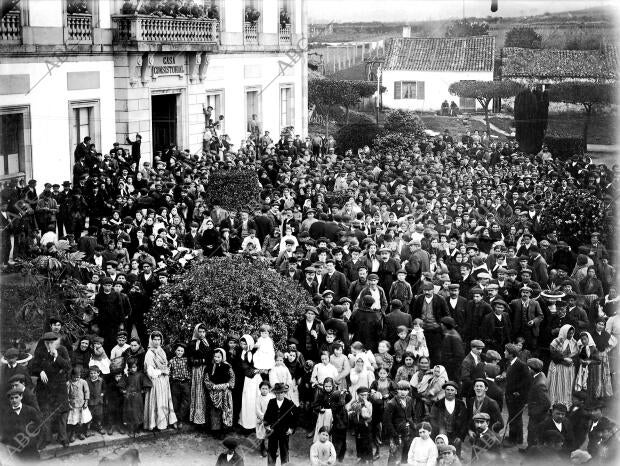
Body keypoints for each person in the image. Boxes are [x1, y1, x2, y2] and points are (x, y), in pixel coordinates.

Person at [30, 331, 71, 448]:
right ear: (44, 342)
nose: (49, 345)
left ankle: (63, 437)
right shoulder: (40, 351)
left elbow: (68, 366)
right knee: (46, 412)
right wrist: (40, 371)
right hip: (45, 388)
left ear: (56, 341)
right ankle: (46, 439)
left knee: (62, 412)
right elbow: (33, 366)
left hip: (59, 387)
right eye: (47, 343)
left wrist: (56, 356)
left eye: (52, 342)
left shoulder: (62, 350)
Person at [143, 330, 177, 431]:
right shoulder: (149, 353)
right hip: (156, 380)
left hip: (164, 380)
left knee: (164, 400)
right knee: (157, 400)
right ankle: (156, 423)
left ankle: (164, 422)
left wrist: (166, 371)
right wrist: (162, 371)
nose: (157, 342)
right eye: (155, 339)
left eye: (159, 339)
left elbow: (165, 364)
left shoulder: (161, 351)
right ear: (151, 340)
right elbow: (150, 371)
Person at [2, 387, 42, 460]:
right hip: (16, 451)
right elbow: (5, 433)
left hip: (31, 449)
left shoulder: (31, 410)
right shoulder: (6, 414)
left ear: (21, 397)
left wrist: (38, 444)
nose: (14, 400)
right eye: (12, 398)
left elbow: (39, 426)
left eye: (16, 397)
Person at [503, 343, 531, 446]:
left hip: (517, 398)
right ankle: (516, 438)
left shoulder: (521, 365)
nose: (504, 352)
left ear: (511, 354)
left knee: (515, 419)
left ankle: (513, 440)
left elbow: (527, 381)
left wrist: (519, 392)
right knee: (513, 417)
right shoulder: (509, 363)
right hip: (510, 396)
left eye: (506, 351)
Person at [430, 381, 467, 456]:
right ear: (444, 391)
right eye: (448, 390)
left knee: (456, 452)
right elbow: (433, 419)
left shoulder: (461, 404)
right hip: (442, 432)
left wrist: (460, 436)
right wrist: (440, 431)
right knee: (442, 454)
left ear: (456, 392)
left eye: (452, 390)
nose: (450, 392)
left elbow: (464, 421)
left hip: (456, 433)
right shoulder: (437, 404)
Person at [263, 382, 297, 466]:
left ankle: (285, 464)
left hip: (284, 431)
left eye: (281, 393)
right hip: (273, 431)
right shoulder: (271, 402)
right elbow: (267, 416)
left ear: (285, 393)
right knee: (271, 450)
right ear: (275, 393)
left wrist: (291, 429)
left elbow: (295, 418)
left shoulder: (289, 403)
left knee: (284, 450)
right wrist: (267, 426)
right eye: (277, 393)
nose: (279, 395)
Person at [204, 348, 235, 438]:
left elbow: (232, 378)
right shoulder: (209, 367)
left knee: (225, 411)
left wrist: (228, 385)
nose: (216, 358)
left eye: (219, 357)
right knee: (215, 412)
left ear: (223, 357)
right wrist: (213, 386)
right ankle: (215, 430)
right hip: (214, 393)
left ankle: (224, 430)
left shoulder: (227, 366)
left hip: (225, 392)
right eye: (215, 356)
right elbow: (206, 380)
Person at [384, 380, 416, 465]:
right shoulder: (392, 403)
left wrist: (413, 426)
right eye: (400, 389)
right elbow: (387, 421)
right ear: (397, 390)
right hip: (397, 433)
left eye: (406, 390)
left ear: (408, 391)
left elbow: (413, 415)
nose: (403, 392)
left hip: (409, 432)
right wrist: (394, 435)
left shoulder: (410, 400)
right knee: (395, 457)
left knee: (406, 455)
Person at [188, 323, 211, 427]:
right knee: (198, 392)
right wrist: (202, 360)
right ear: (196, 332)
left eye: (203, 332)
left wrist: (206, 360)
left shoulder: (208, 342)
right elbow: (191, 359)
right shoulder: (192, 343)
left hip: (207, 369)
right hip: (197, 370)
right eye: (199, 332)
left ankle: (206, 419)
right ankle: (197, 419)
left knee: (206, 392)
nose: (201, 334)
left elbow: (210, 356)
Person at [525, 358, 550, 449]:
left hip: (538, 415)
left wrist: (534, 412)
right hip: (537, 412)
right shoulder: (540, 375)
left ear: (532, 369)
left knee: (533, 433)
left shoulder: (539, 383)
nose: (527, 370)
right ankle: (529, 449)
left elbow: (547, 403)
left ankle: (531, 454)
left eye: (528, 368)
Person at [347, 386, 373, 464]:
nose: (364, 397)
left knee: (367, 442)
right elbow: (349, 410)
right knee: (359, 441)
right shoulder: (355, 403)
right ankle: (362, 458)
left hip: (366, 425)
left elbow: (369, 414)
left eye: (365, 395)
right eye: (362, 395)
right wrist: (351, 412)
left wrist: (365, 405)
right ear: (358, 394)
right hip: (357, 425)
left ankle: (369, 459)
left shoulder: (369, 403)